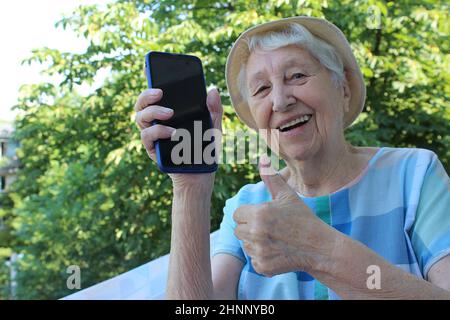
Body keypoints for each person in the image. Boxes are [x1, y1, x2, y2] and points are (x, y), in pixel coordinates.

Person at [134, 16, 450, 299]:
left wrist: (317, 249)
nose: (281, 100)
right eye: (261, 89)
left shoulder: (415, 175)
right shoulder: (246, 207)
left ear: (343, 90)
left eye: (297, 76)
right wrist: (191, 187)